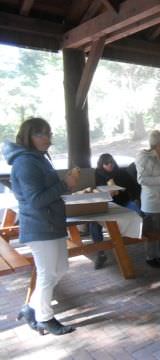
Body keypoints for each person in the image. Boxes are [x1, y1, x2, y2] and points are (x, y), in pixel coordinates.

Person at [2, 117, 77, 335]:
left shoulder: (38, 158)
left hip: (52, 224)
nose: (47, 138)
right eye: (40, 133)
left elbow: (48, 191)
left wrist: (66, 185)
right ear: (28, 136)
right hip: (38, 226)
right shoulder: (25, 162)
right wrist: (65, 184)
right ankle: (45, 318)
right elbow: (35, 200)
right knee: (46, 274)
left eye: (48, 133)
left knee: (60, 269)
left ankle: (30, 308)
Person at [89, 153, 141, 269]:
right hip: (106, 204)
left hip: (123, 201)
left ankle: (134, 237)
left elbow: (133, 187)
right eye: (106, 163)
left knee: (138, 214)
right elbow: (96, 189)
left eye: (111, 162)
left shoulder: (121, 172)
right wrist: (105, 191)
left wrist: (128, 193)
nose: (110, 165)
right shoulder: (98, 173)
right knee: (94, 223)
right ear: (101, 164)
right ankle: (100, 252)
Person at [135, 130, 160, 268]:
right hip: (152, 201)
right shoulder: (145, 157)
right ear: (157, 144)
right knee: (152, 231)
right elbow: (142, 179)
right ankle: (150, 256)